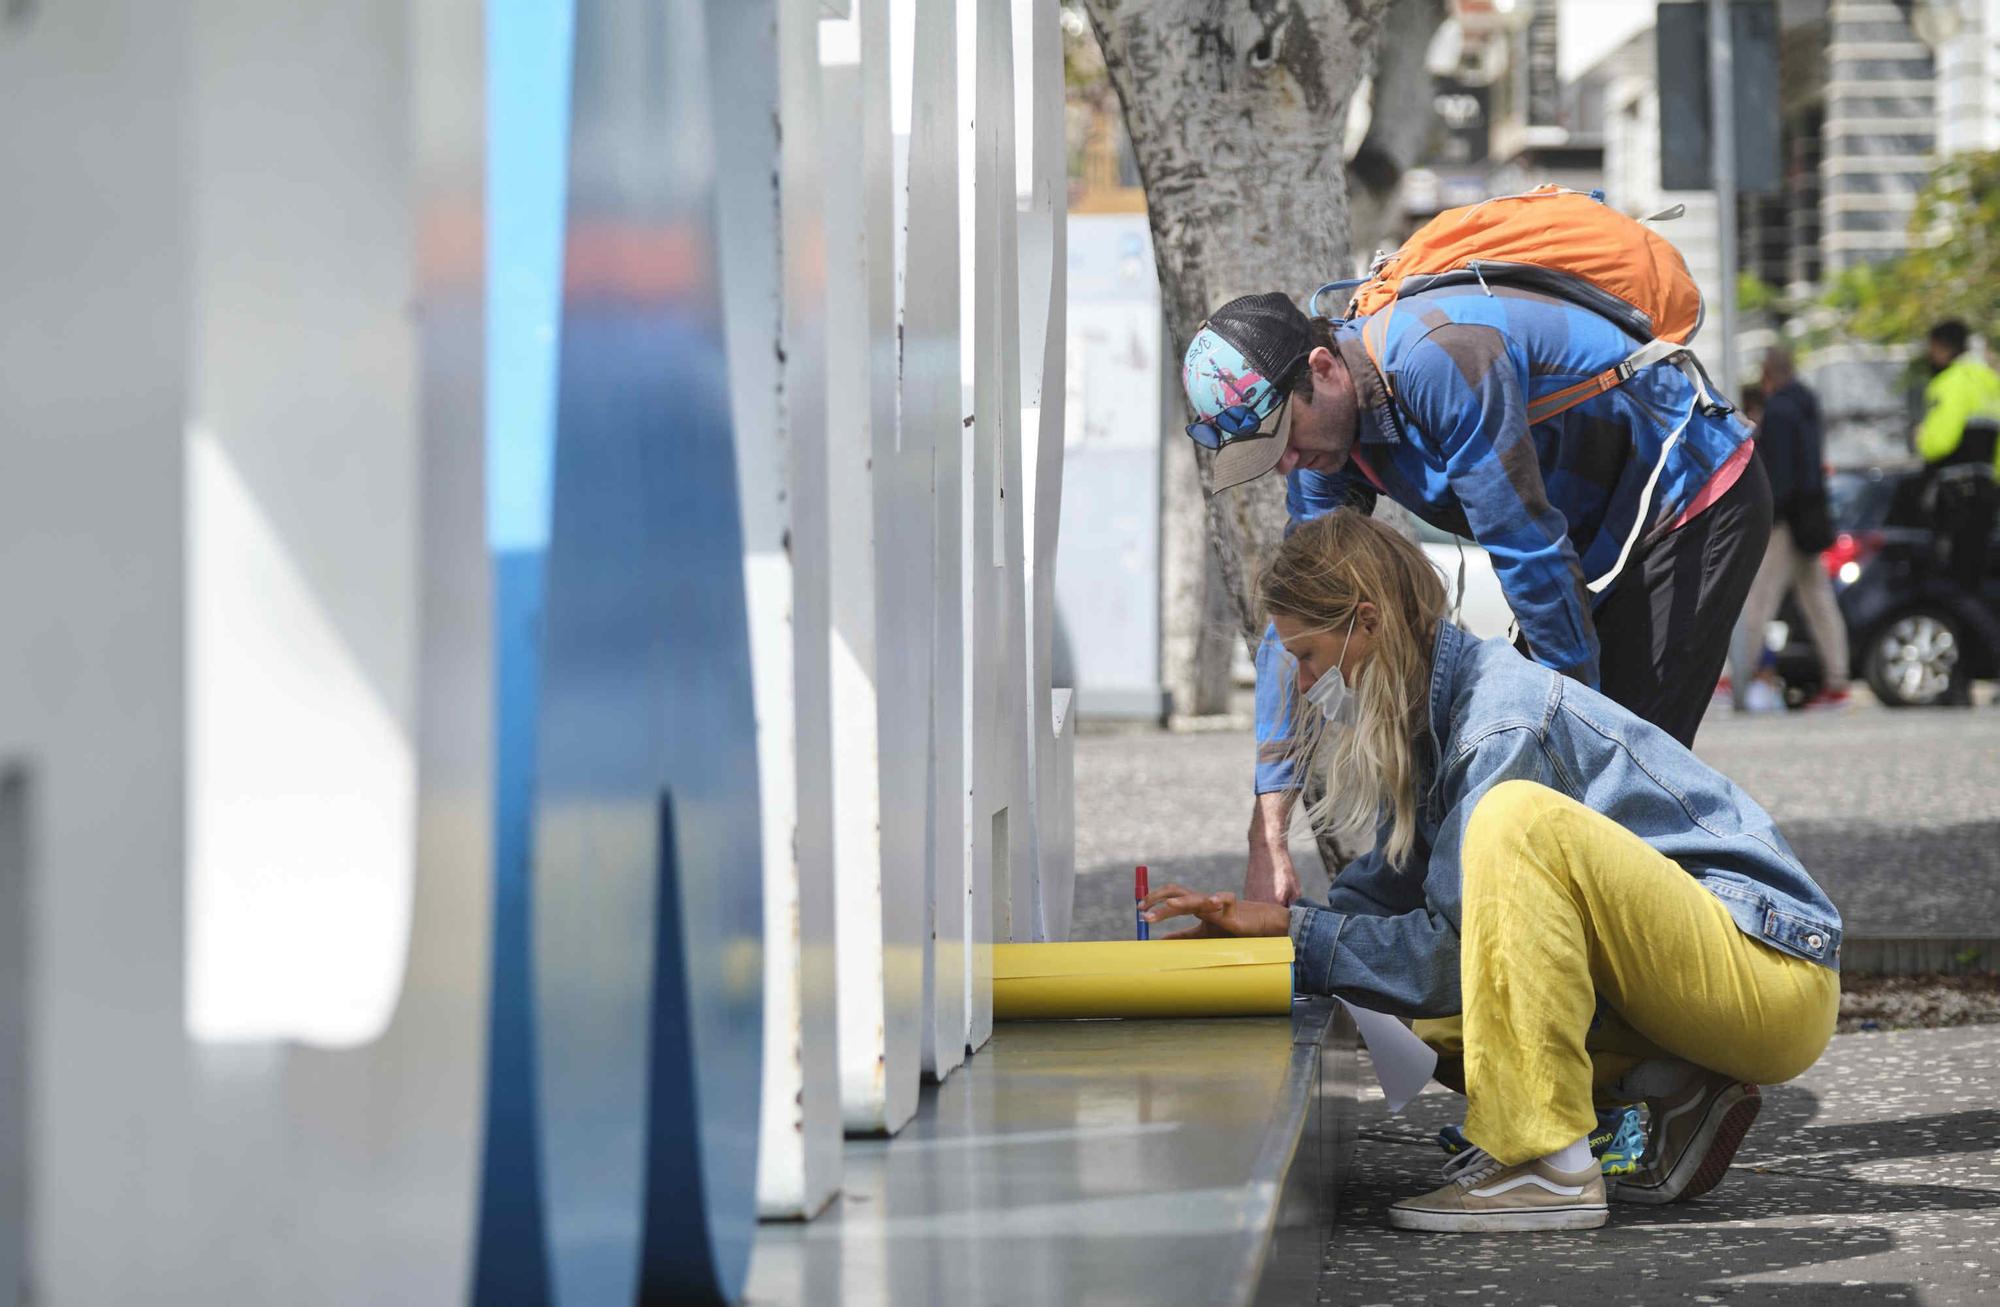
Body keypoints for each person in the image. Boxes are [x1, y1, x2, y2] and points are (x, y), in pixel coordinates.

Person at [1141, 510, 1841, 1233]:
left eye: (1311, 656)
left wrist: (1303, 936)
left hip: (1772, 975)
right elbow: (1383, 900)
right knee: (1422, 1018)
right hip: (1701, 980)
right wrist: (1265, 939)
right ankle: (1671, 1094)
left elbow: (1449, 954)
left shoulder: (1497, 723)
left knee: (1512, 822)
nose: (1309, 683)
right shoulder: (1428, 713)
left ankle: (1550, 1164)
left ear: (1368, 622)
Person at [1181, 290, 1772, 905]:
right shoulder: (1325, 440)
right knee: (1488, 766)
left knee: (1616, 782)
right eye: (1271, 456)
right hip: (1590, 532)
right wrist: (1267, 834)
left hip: (1690, 494)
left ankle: (1702, 944)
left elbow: (1531, 558)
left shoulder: (1440, 361)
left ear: (1322, 369)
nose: (1290, 465)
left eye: (1287, 437)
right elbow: (1296, 622)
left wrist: (1577, 740)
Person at [1730, 348, 1849, 710]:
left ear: (1768, 373)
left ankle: (1733, 678)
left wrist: (1767, 517)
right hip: (1810, 520)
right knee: (1819, 602)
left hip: (1783, 524)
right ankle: (1838, 682)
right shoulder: (1808, 403)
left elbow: (1780, 475)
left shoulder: (1779, 410)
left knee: (1757, 600)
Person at [1916, 320, 2000, 595]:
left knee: (1950, 583)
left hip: (1954, 495)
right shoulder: (1990, 382)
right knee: (1975, 576)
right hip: (1986, 492)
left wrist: (1920, 437)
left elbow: (1940, 442)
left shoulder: (1950, 382)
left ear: (1942, 347)